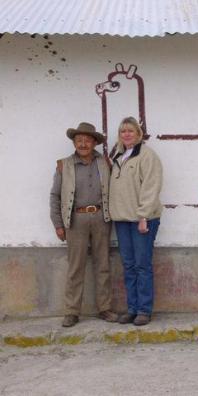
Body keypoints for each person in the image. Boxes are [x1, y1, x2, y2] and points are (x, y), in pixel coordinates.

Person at [50, 122, 118, 327]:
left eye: (87, 140)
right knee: (75, 267)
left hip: (101, 218)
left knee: (103, 265)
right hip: (75, 220)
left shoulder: (105, 162)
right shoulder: (64, 165)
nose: (83, 144)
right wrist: (58, 224)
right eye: (79, 140)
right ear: (74, 142)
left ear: (94, 142)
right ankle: (72, 311)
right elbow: (55, 196)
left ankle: (104, 308)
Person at [109, 116, 163, 326]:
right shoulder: (119, 156)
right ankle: (132, 308)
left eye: (131, 131)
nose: (127, 134)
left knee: (142, 265)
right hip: (122, 219)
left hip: (142, 219)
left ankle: (144, 310)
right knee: (129, 265)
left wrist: (143, 216)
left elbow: (151, 186)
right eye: (123, 131)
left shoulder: (147, 156)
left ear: (139, 134)